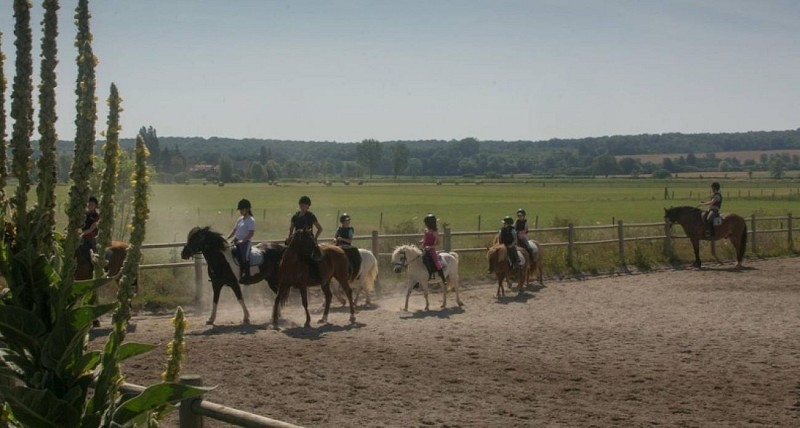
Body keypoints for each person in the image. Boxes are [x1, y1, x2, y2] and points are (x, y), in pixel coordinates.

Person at [227, 199, 256, 281]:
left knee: (244, 257)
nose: (240, 211)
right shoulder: (239, 219)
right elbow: (234, 230)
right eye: (240, 210)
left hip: (245, 243)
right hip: (236, 241)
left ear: (247, 209)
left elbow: (251, 234)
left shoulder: (251, 220)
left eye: (242, 209)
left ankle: (247, 275)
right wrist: (228, 237)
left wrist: (243, 241)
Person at [419, 213, 446, 284]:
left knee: (436, 261)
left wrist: (430, 247)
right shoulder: (426, 230)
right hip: (424, 248)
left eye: (426, 223)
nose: (425, 224)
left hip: (431, 249)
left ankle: (443, 278)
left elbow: (438, 243)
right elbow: (425, 238)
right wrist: (422, 241)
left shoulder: (435, 232)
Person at [334, 213, 361, 278]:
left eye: (348, 221)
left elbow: (350, 240)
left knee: (353, 254)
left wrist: (341, 239)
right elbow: (335, 237)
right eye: (346, 221)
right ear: (342, 222)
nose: (348, 222)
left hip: (347, 246)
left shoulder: (350, 230)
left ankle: (353, 271)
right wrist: (335, 239)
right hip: (338, 246)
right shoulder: (339, 229)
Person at [79, 196, 100, 264]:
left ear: (95, 206)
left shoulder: (97, 216)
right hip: (82, 237)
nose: (90, 206)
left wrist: (81, 233)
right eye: (89, 204)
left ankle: (97, 265)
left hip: (91, 238)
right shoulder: (84, 214)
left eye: (92, 205)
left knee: (95, 254)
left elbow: (91, 229)